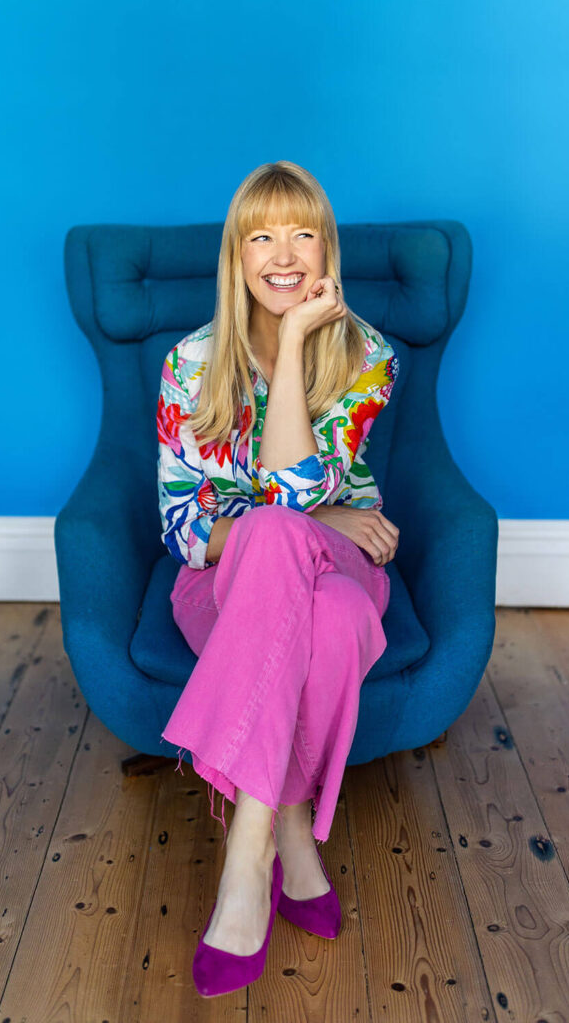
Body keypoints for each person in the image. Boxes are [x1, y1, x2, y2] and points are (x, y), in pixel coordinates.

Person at [155, 160, 400, 997]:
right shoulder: (188, 366)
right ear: (237, 254)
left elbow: (286, 496)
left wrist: (296, 342)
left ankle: (244, 850)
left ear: (326, 248)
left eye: (301, 232)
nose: (282, 253)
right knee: (322, 615)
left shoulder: (370, 355)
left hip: (344, 561)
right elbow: (185, 530)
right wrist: (308, 519)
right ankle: (293, 831)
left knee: (274, 529)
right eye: (261, 235)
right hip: (222, 583)